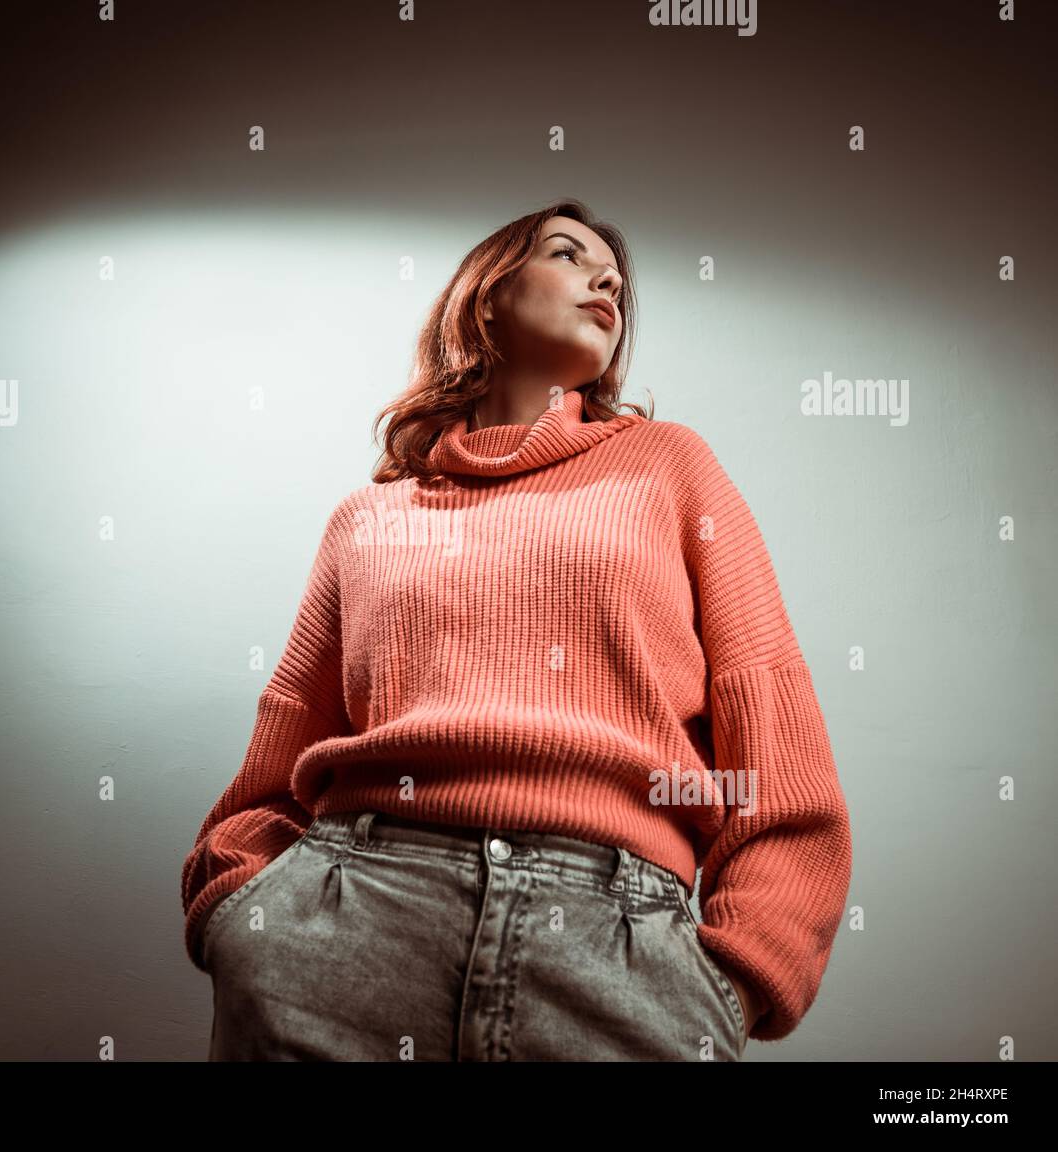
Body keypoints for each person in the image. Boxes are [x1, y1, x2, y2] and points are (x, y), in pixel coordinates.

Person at [180, 198, 852, 1061]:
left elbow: (772, 726)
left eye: (613, 273)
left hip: (617, 942)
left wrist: (741, 969)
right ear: (486, 297)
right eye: (570, 255)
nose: (607, 277)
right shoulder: (367, 516)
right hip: (345, 926)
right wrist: (245, 912)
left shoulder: (671, 466)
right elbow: (280, 753)